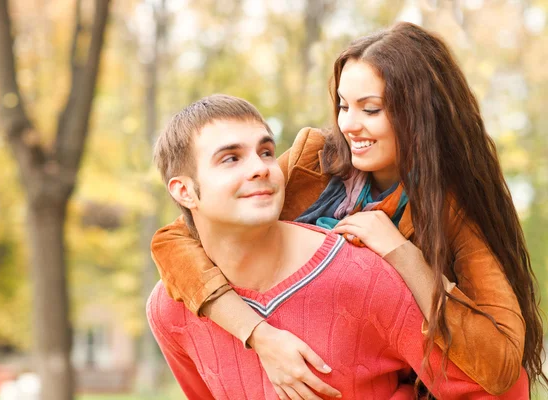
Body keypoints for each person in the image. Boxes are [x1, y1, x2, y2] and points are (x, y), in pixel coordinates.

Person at [151, 22, 545, 398]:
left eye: (370, 109)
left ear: (421, 114)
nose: (349, 125)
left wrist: (402, 254)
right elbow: (177, 240)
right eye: (343, 106)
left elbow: (500, 365)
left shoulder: (453, 210)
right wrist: (258, 334)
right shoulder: (313, 160)